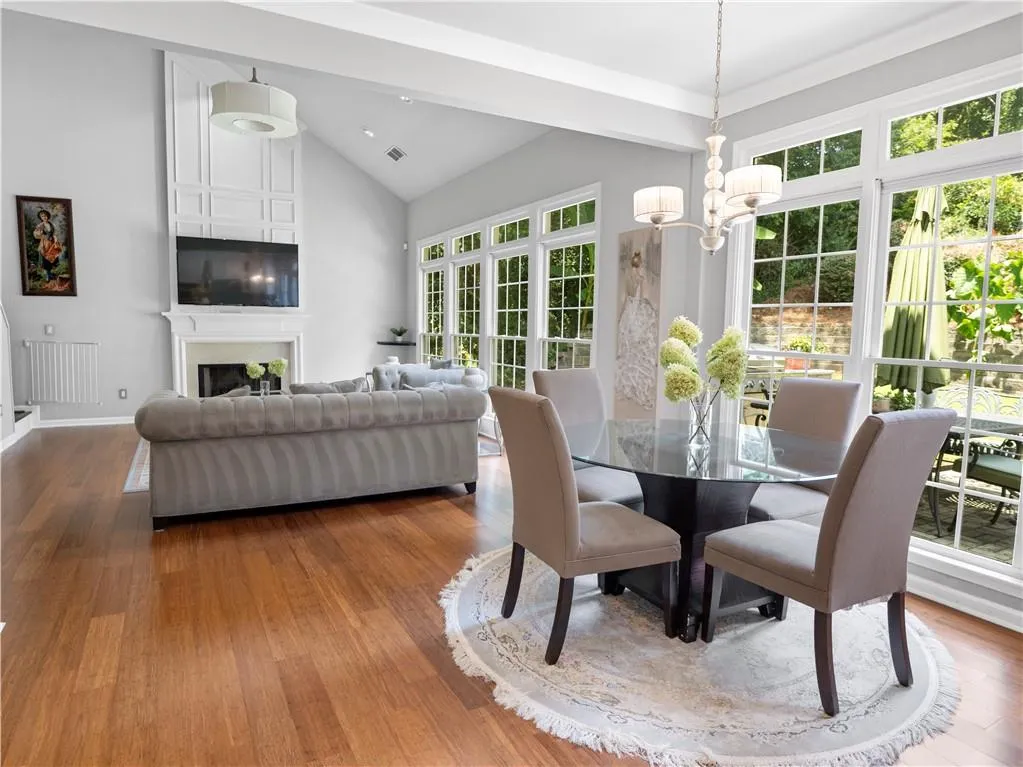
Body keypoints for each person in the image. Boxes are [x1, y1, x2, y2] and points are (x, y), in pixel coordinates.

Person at [33, 209, 64, 281]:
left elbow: (54, 233)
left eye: (45, 216)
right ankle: (47, 275)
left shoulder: (52, 224)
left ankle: (52, 274)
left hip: (52, 243)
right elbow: (35, 235)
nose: (44, 217)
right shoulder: (40, 225)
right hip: (44, 244)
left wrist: (55, 239)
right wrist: (41, 235)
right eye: (42, 216)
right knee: (45, 258)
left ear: (48, 216)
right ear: (41, 218)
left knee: (53, 257)